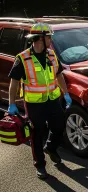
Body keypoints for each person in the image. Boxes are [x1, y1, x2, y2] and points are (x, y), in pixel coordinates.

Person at [7, 23, 72, 179]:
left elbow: (59, 75)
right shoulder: (22, 58)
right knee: (36, 134)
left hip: (53, 100)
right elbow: (14, 82)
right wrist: (11, 103)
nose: (51, 40)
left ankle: (50, 147)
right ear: (40, 39)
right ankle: (40, 166)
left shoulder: (51, 54)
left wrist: (66, 93)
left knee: (58, 127)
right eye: (49, 37)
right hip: (34, 103)